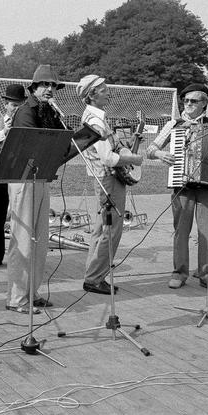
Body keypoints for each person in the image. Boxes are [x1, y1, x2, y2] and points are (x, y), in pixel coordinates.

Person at [146, 83, 208, 292]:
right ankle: (179, 272)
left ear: (204, 104)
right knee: (181, 231)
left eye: (193, 101)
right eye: (185, 100)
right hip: (182, 185)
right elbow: (150, 150)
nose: (187, 104)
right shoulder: (174, 124)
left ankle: (207, 275)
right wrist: (161, 154)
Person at [5, 64, 64, 314]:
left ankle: (33, 293)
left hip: (41, 178)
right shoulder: (25, 111)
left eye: (53, 85)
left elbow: (62, 141)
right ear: (34, 88)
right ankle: (16, 298)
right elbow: (33, 144)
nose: (49, 89)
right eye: (45, 85)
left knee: (40, 240)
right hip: (23, 179)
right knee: (24, 238)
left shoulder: (49, 111)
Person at [77, 75, 143, 295]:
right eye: (103, 89)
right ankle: (95, 278)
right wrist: (134, 159)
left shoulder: (92, 116)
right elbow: (109, 159)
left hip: (102, 180)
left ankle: (92, 273)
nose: (108, 92)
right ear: (92, 95)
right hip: (109, 181)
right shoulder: (96, 121)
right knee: (111, 230)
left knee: (100, 229)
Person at [0, 84, 27, 270]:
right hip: (0, 173)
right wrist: (4, 133)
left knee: (21, 216)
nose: (15, 108)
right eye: (12, 105)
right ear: (6, 105)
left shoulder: (26, 122)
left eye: (19, 105)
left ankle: (21, 256)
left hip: (19, 172)